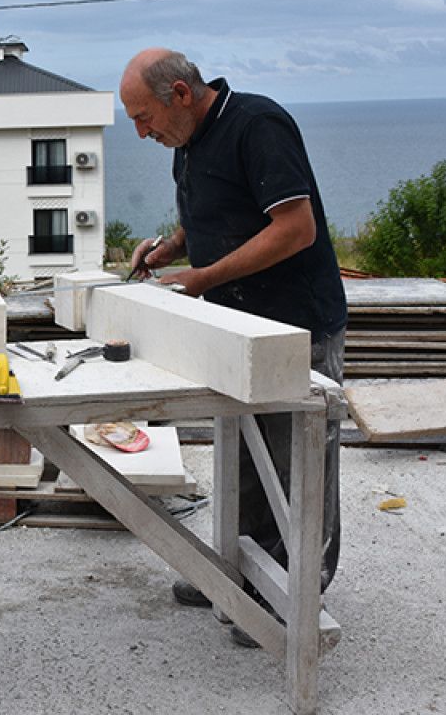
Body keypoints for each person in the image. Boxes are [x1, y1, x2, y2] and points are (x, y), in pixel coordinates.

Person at [119, 48, 347, 647]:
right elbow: (212, 211)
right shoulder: (190, 143)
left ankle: (296, 591)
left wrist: (203, 277)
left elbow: (296, 228)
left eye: (144, 118)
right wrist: (171, 249)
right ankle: (239, 576)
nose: (143, 133)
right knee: (246, 457)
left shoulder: (257, 125)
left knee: (298, 460)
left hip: (296, 327)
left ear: (181, 96)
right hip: (238, 326)